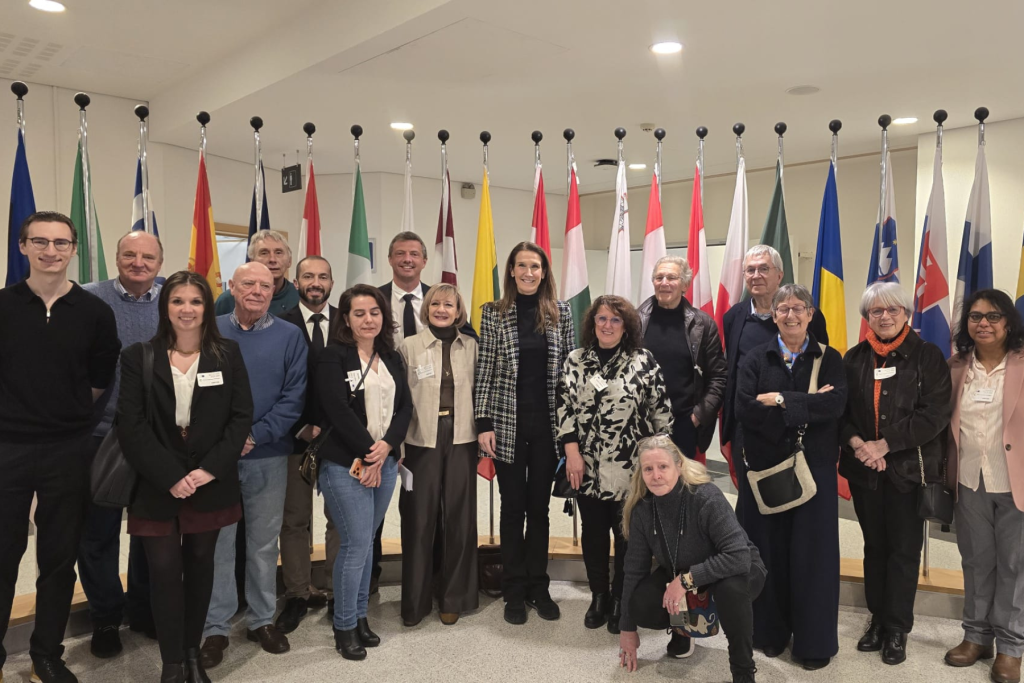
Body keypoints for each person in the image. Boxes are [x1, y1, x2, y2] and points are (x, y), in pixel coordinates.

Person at [0, 211, 120, 683]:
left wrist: (63, 411)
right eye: (40, 242)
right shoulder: (3, 305)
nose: (51, 251)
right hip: (7, 448)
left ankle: (46, 655)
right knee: (3, 554)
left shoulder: (95, 312)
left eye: (60, 243)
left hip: (68, 448)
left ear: (73, 249)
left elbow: (99, 378)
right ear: (23, 246)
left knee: (58, 557)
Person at [117, 270, 253, 683]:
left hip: (209, 483)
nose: (187, 309)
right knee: (162, 573)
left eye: (196, 301)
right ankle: (172, 663)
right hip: (157, 484)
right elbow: (131, 425)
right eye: (178, 301)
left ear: (207, 308)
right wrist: (171, 476)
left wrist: (208, 469)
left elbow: (240, 417)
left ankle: (193, 655)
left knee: (199, 568)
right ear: (165, 307)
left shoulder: (226, 353)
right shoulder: (139, 356)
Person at [200, 262, 306, 668]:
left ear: (274, 290)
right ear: (231, 286)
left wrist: (253, 436)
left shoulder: (290, 336)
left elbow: (293, 398)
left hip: (268, 454)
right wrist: (225, 442)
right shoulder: (209, 330)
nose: (258, 291)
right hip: (216, 459)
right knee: (219, 544)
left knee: (263, 543)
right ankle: (216, 627)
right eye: (248, 283)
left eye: (266, 285)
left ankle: (262, 620)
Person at [735, 283, 846, 670]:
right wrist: (806, 407)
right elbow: (745, 409)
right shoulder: (755, 358)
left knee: (813, 558)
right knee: (768, 552)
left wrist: (781, 400)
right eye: (783, 308)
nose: (791, 315)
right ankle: (769, 633)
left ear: (811, 314)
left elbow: (835, 405)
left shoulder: (829, 358)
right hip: (767, 469)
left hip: (815, 471)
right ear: (774, 315)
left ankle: (814, 643)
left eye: (799, 308)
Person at [839, 282, 951, 665]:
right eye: (876, 311)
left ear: (906, 313)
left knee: (903, 551)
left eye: (893, 310)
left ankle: (897, 628)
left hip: (908, 473)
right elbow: (841, 413)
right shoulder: (854, 358)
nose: (884, 316)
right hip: (865, 472)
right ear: (867, 316)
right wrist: (860, 445)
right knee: (874, 548)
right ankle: (877, 619)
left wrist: (884, 445)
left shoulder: (927, 356)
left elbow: (935, 414)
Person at [557, 295, 672, 634]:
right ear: (592, 323)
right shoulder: (576, 360)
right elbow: (564, 409)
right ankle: (599, 595)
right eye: (602, 319)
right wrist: (571, 453)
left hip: (631, 471)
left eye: (615, 320)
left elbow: (661, 415)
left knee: (627, 538)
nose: (607, 325)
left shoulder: (643, 361)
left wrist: (658, 464)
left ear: (627, 326)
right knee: (593, 534)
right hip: (586, 467)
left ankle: (622, 597)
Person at [475, 242, 575, 625]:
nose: (529, 272)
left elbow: (571, 371)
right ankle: (513, 588)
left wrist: (571, 429)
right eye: (522, 266)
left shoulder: (561, 312)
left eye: (535, 266)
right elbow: (485, 369)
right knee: (512, 508)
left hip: (548, 428)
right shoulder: (494, 313)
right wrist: (483, 422)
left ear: (544, 271)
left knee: (539, 511)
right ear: (511, 271)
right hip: (507, 427)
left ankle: (539, 586)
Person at [617, 435, 766, 683]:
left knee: (731, 591)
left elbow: (738, 557)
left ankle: (743, 671)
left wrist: (686, 581)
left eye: (663, 466)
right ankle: (683, 631)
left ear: (679, 466)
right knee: (641, 604)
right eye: (648, 469)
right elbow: (634, 570)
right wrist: (627, 629)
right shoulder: (643, 510)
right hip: (680, 568)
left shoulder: (706, 497)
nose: (656, 475)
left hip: (735, 570)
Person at [79, 231, 164, 657]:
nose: (138, 263)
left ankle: (144, 609)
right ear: (116, 258)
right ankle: (106, 618)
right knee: (98, 532)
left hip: (155, 436)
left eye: (148, 257)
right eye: (129, 254)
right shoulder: (87, 299)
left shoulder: (174, 299)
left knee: (150, 530)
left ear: (159, 262)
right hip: (100, 433)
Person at [316, 284, 412, 660]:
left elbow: (404, 408)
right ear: (346, 318)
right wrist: (369, 454)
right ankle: (343, 626)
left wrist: (387, 446)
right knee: (355, 544)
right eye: (359, 313)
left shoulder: (391, 356)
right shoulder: (332, 357)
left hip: (384, 462)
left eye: (374, 312)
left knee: (368, 541)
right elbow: (337, 410)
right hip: (345, 463)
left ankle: (359, 616)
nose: (368, 319)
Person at [943, 289, 1024, 683]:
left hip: (1016, 482)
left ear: (1008, 322)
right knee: (976, 561)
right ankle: (976, 637)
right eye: (976, 317)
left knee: (1014, 565)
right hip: (968, 478)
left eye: (993, 316)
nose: (984, 324)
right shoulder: (956, 366)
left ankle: (1011, 647)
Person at [722, 246, 828, 518]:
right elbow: (731, 372)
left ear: (779, 275)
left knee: (795, 500)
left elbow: (820, 365)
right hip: (750, 428)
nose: (756, 275)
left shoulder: (806, 316)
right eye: (750, 270)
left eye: (763, 269)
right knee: (751, 502)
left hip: (795, 426)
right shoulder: (733, 317)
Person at [399, 283, 479, 627]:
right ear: (426, 308)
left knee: (459, 519)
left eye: (449, 305)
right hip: (420, 440)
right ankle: (415, 602)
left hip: (462, 437)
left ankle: (453, 598)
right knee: (419, 519)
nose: (442, 310)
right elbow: (399, 399)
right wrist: (398, 446)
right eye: (435, 304)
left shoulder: (472, 346)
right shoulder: (408, 346)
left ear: (459, 311)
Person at [276, 256, 341, 632]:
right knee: (294, 520)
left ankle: (337, 592)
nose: (316, 282)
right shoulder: (279, 323)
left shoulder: (348, 323)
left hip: (339, 441)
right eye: (308, 276)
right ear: (296, 282)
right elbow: (273, 383)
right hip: (295, 439)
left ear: (332, 282)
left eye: (323, 276)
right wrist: (299, 426)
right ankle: (298, 594)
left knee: (339, 520)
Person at [637, 256, 726, 459]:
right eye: (659, 277)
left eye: (671, 277)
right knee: (642, 478)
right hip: (641, 423)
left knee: (682, 479)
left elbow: (718, 377)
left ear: (685, 284)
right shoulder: (635, 321)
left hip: (684, 424)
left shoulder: (703, 324)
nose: (664, 283)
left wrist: (697, 417)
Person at [213, 230, 299, 317]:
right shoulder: (228, 299)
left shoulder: (300, 296)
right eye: (264, 253)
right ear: (252, 260)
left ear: (289, 261)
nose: (272, 259)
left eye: (278, 253)